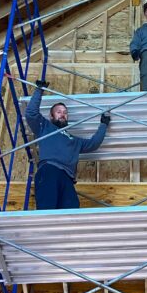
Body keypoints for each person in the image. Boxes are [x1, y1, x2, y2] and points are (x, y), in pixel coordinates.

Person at [25, 80, 110, 209]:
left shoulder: (74, 141)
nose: (63, 114)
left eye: (65, 112)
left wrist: (103, 124)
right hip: (49, 171)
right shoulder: (44, 127)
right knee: (47, 208)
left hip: (67, 178)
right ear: (51, 116)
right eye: (59, 112)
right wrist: (39, 90)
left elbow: (93, 144)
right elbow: (31, 114)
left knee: (72, 210)